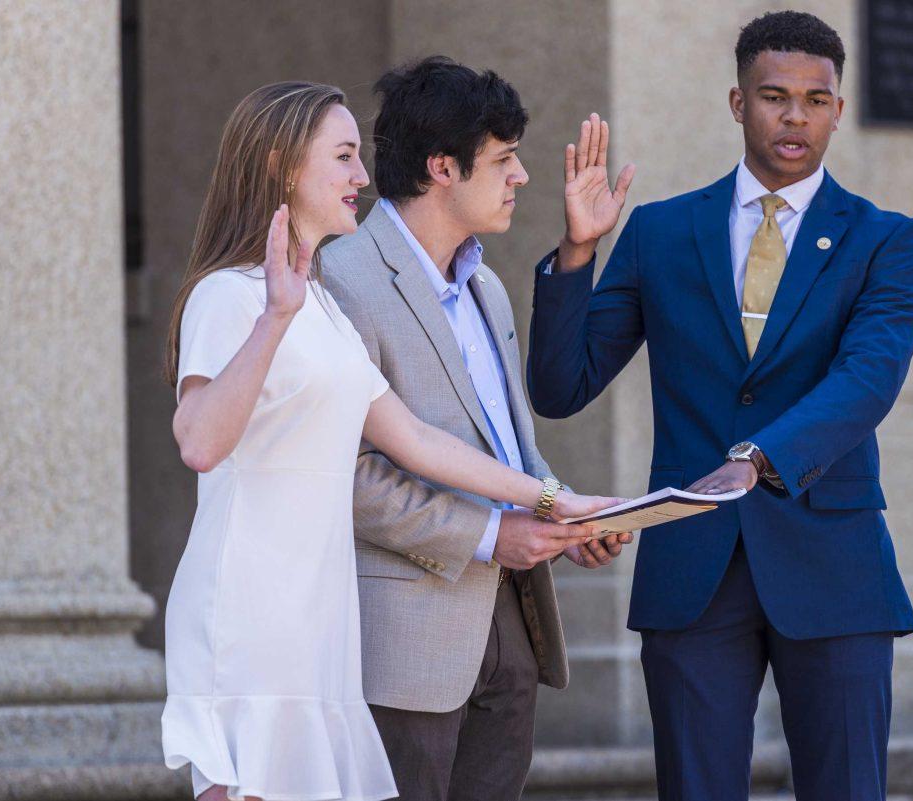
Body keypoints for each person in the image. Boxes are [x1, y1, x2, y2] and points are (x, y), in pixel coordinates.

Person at [159, 80, 617, 801]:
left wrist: (558, 498)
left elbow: (419, 442)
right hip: (251, 616)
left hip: (323, 621)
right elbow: (198, 441)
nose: (363, 176)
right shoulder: (234, 295)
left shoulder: (318, 304)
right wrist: (274, 315)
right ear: (282, 165)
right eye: (342, 157)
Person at [528, 11, 913, 801]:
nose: (796, 117)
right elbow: (560, 385)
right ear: (738, 102)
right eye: (775, 96)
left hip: (833, 566)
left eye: (817, 101)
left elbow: (867, 381)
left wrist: (756, 459)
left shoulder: (886, 240)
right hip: (692, 571)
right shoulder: (660, 233)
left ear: (838, 110)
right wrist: (579, 251)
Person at [319, 57, 632, 801]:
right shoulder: (339, 280)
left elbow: (502, 447)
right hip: (404, 642)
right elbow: (344, 474)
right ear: (441, 168)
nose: (521, 176)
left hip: (512, 624)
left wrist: (563, 512)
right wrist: (493, 534)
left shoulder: (486, 285)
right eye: (503, 159)